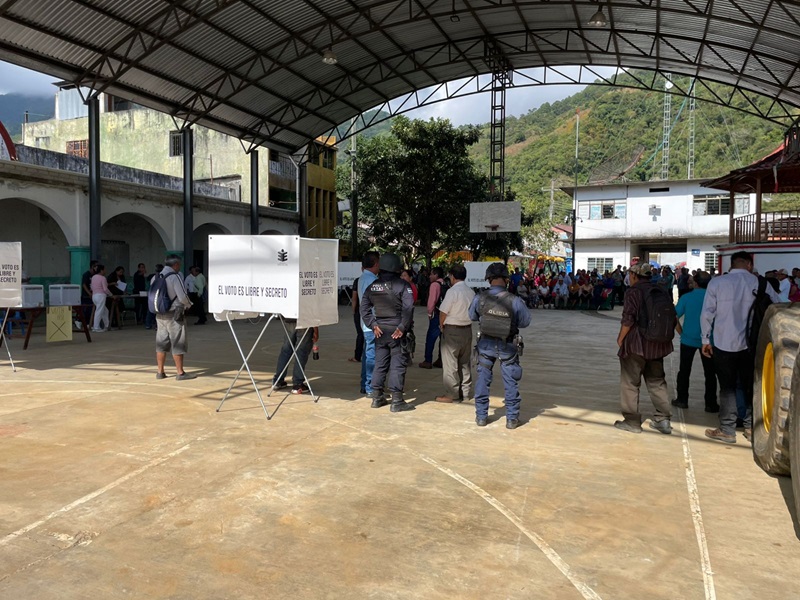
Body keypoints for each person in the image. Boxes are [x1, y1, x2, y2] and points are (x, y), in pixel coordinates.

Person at [700, 251, 779, 443]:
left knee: (727, 387)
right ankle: (751, 427)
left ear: (731, 264)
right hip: (752, 345)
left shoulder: (717, 283)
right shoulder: (761, 283)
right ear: (749, 265)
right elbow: (778, 307)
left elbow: (707, 313)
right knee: (750, 385)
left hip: (723, 343)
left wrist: (705, 340)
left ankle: (727, 429)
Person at [614, 263, 675, 435]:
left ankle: (632, 421)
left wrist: (620, 339)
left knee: (630, 383)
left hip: (636, 344)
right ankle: (663, 419)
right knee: (657, 381)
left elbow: (628, 319)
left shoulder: (633, 292)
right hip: (657, 344)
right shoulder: (660, 290)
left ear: (634, 275)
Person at [469, 263, 531, 429]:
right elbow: (525, 321)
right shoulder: (515, 300)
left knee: (482, 380)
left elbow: (471, 316)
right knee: (510, 382)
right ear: (506, 279)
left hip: (485, 345)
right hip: (507, 346)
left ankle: (481, 417)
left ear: (488, 279)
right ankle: (511, 419)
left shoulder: (480, 298)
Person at [360, 253, 415, 413]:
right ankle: (397, 400)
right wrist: (402, 327)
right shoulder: (403, 285)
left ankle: (377, 397)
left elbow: (364, 307)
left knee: (380, 363)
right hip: (397, 331)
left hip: (380, 331)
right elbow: (409, 307)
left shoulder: (373, 286)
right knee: (398, 365)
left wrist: (373, 324)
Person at [673, 271, 718, 412]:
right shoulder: (715, 298)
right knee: (710, 373)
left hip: (688, 340)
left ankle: (682, 399)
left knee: (684, 370)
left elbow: (674, 317)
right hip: (710, 341)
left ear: (696, 283)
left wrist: (681, 332)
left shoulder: (687, 297)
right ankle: (710, 404)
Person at [435, 264, 475, 404]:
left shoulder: (452, 292)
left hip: (452, 330)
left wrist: (441, 326)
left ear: (452, 276)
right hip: (467, 329)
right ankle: (466, 392)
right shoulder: (471, 292)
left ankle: (452, 394)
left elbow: (443, 312)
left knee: (450, 363)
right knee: (464, 362)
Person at [155, 255, 195, 381]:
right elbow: (182, 296)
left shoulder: (156, 277)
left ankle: (160, 372)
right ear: (176, 264)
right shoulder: (174, 277)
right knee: (178, 342)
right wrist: (189, 304)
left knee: (161, 343)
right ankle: (180, 373)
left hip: (160, 314)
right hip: (174, 314)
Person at [272, 323, 318, 394]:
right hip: (304, 322)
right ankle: (298, 383)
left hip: (289, 320)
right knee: (301, 351)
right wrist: (316, 330)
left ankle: (278, 380)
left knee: (286, 350)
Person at [358, 251, 380, 396]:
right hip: (372, 324)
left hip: (366, 323)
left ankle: (365, 384)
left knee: (367, 354)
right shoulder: (372, 281)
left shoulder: (362, 278)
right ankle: (370, 387)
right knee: (372, 355)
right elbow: (375, 305)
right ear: (376, 264)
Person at [419, 267, 447, 369]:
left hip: (436, 314)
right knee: (442, 339)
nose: (430, 276)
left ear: (436, 275)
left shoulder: (435, 285)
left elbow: (432, 301)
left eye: (431, 274)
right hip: (445, 314)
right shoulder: (445, 284)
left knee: (430, 338)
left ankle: (428, 360)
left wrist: (430, 313)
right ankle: (441, 360)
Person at [90, 264, 113, 332]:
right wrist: (111, 295)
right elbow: (105, 289)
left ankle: (107, 326)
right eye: (104, 269)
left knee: (105, 311)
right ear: (101, 270)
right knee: (99, 311)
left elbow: (92, 287)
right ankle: (96, 327)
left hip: (94, 296)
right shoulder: (103, 278)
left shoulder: (93, 277)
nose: (105, 271)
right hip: (101, 296)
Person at [348, 273, 363, 363]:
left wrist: (354, 311)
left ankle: (357, 356)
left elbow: (354, 298)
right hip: (369, 311)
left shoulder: (358, 281)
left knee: (360, 334)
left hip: (359, 311)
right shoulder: (375, 280)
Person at [144, 263, 162, 330]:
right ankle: (157, 325)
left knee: (151, 310)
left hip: (152, 295)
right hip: (159, 295)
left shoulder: (154, 277)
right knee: (159, 311)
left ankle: (148, 324)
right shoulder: (162, 277)